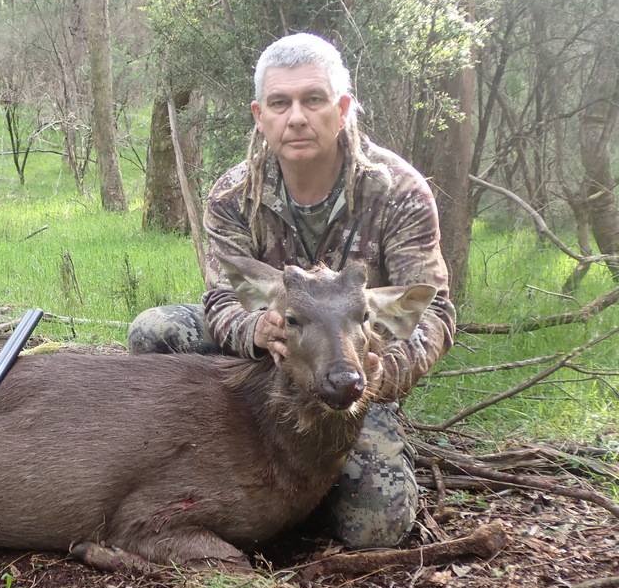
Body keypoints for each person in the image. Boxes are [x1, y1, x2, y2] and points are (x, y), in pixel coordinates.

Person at [127, 32, 456, 549]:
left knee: (377, 527)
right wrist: (256, 329)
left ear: (342, 107)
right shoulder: (235, 195)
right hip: (266, 363)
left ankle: (292, 495)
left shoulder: (399, 191)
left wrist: (375, 377)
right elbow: (220, 300)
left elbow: (432, 315)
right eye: (280, 103)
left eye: (313, 99)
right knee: (155, 331)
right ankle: (167, 473)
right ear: (260, 114)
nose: (296, 117)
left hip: (349, 380)